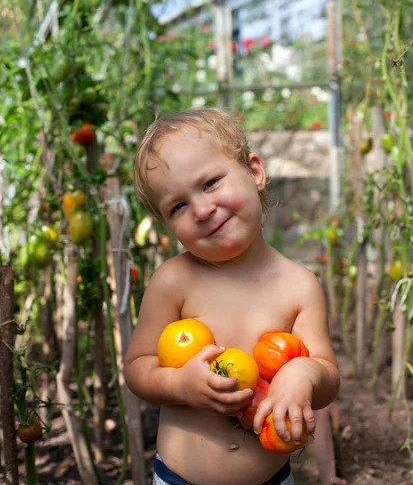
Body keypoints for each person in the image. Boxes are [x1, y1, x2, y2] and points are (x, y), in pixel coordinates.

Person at [124, 108, 340, 485]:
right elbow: (137, 367)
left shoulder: (300, 285)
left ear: (255, 172)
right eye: (178, 206)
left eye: (210, 183)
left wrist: (303, 371)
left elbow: (328, 378)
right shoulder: (173, 281)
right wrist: (179, 386)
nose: (203, 210)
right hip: (179, 479)